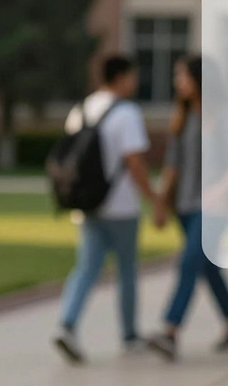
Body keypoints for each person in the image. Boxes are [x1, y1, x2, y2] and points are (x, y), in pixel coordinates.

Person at [53, 55, 164, 363]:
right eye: (132, 76)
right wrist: (153, 198)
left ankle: (67, 324)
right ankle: (129, 336)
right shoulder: (126, 113)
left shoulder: (81, 109)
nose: (135, 81)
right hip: (121, 206)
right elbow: (134, 162)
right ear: (121, 77)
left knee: (86, 268)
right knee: (127, 270)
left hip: (87, 203)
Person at [147, 54, 228, 360]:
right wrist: (161, 202)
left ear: (200, 80)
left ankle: (170, 331)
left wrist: (220, 190)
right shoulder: (185, 116)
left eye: (183, 76)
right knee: (207, 266)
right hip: (186, 205)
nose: (178, 82)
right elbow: (172, 165)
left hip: (214, 208)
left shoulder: (227, 115)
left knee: (189, 262)